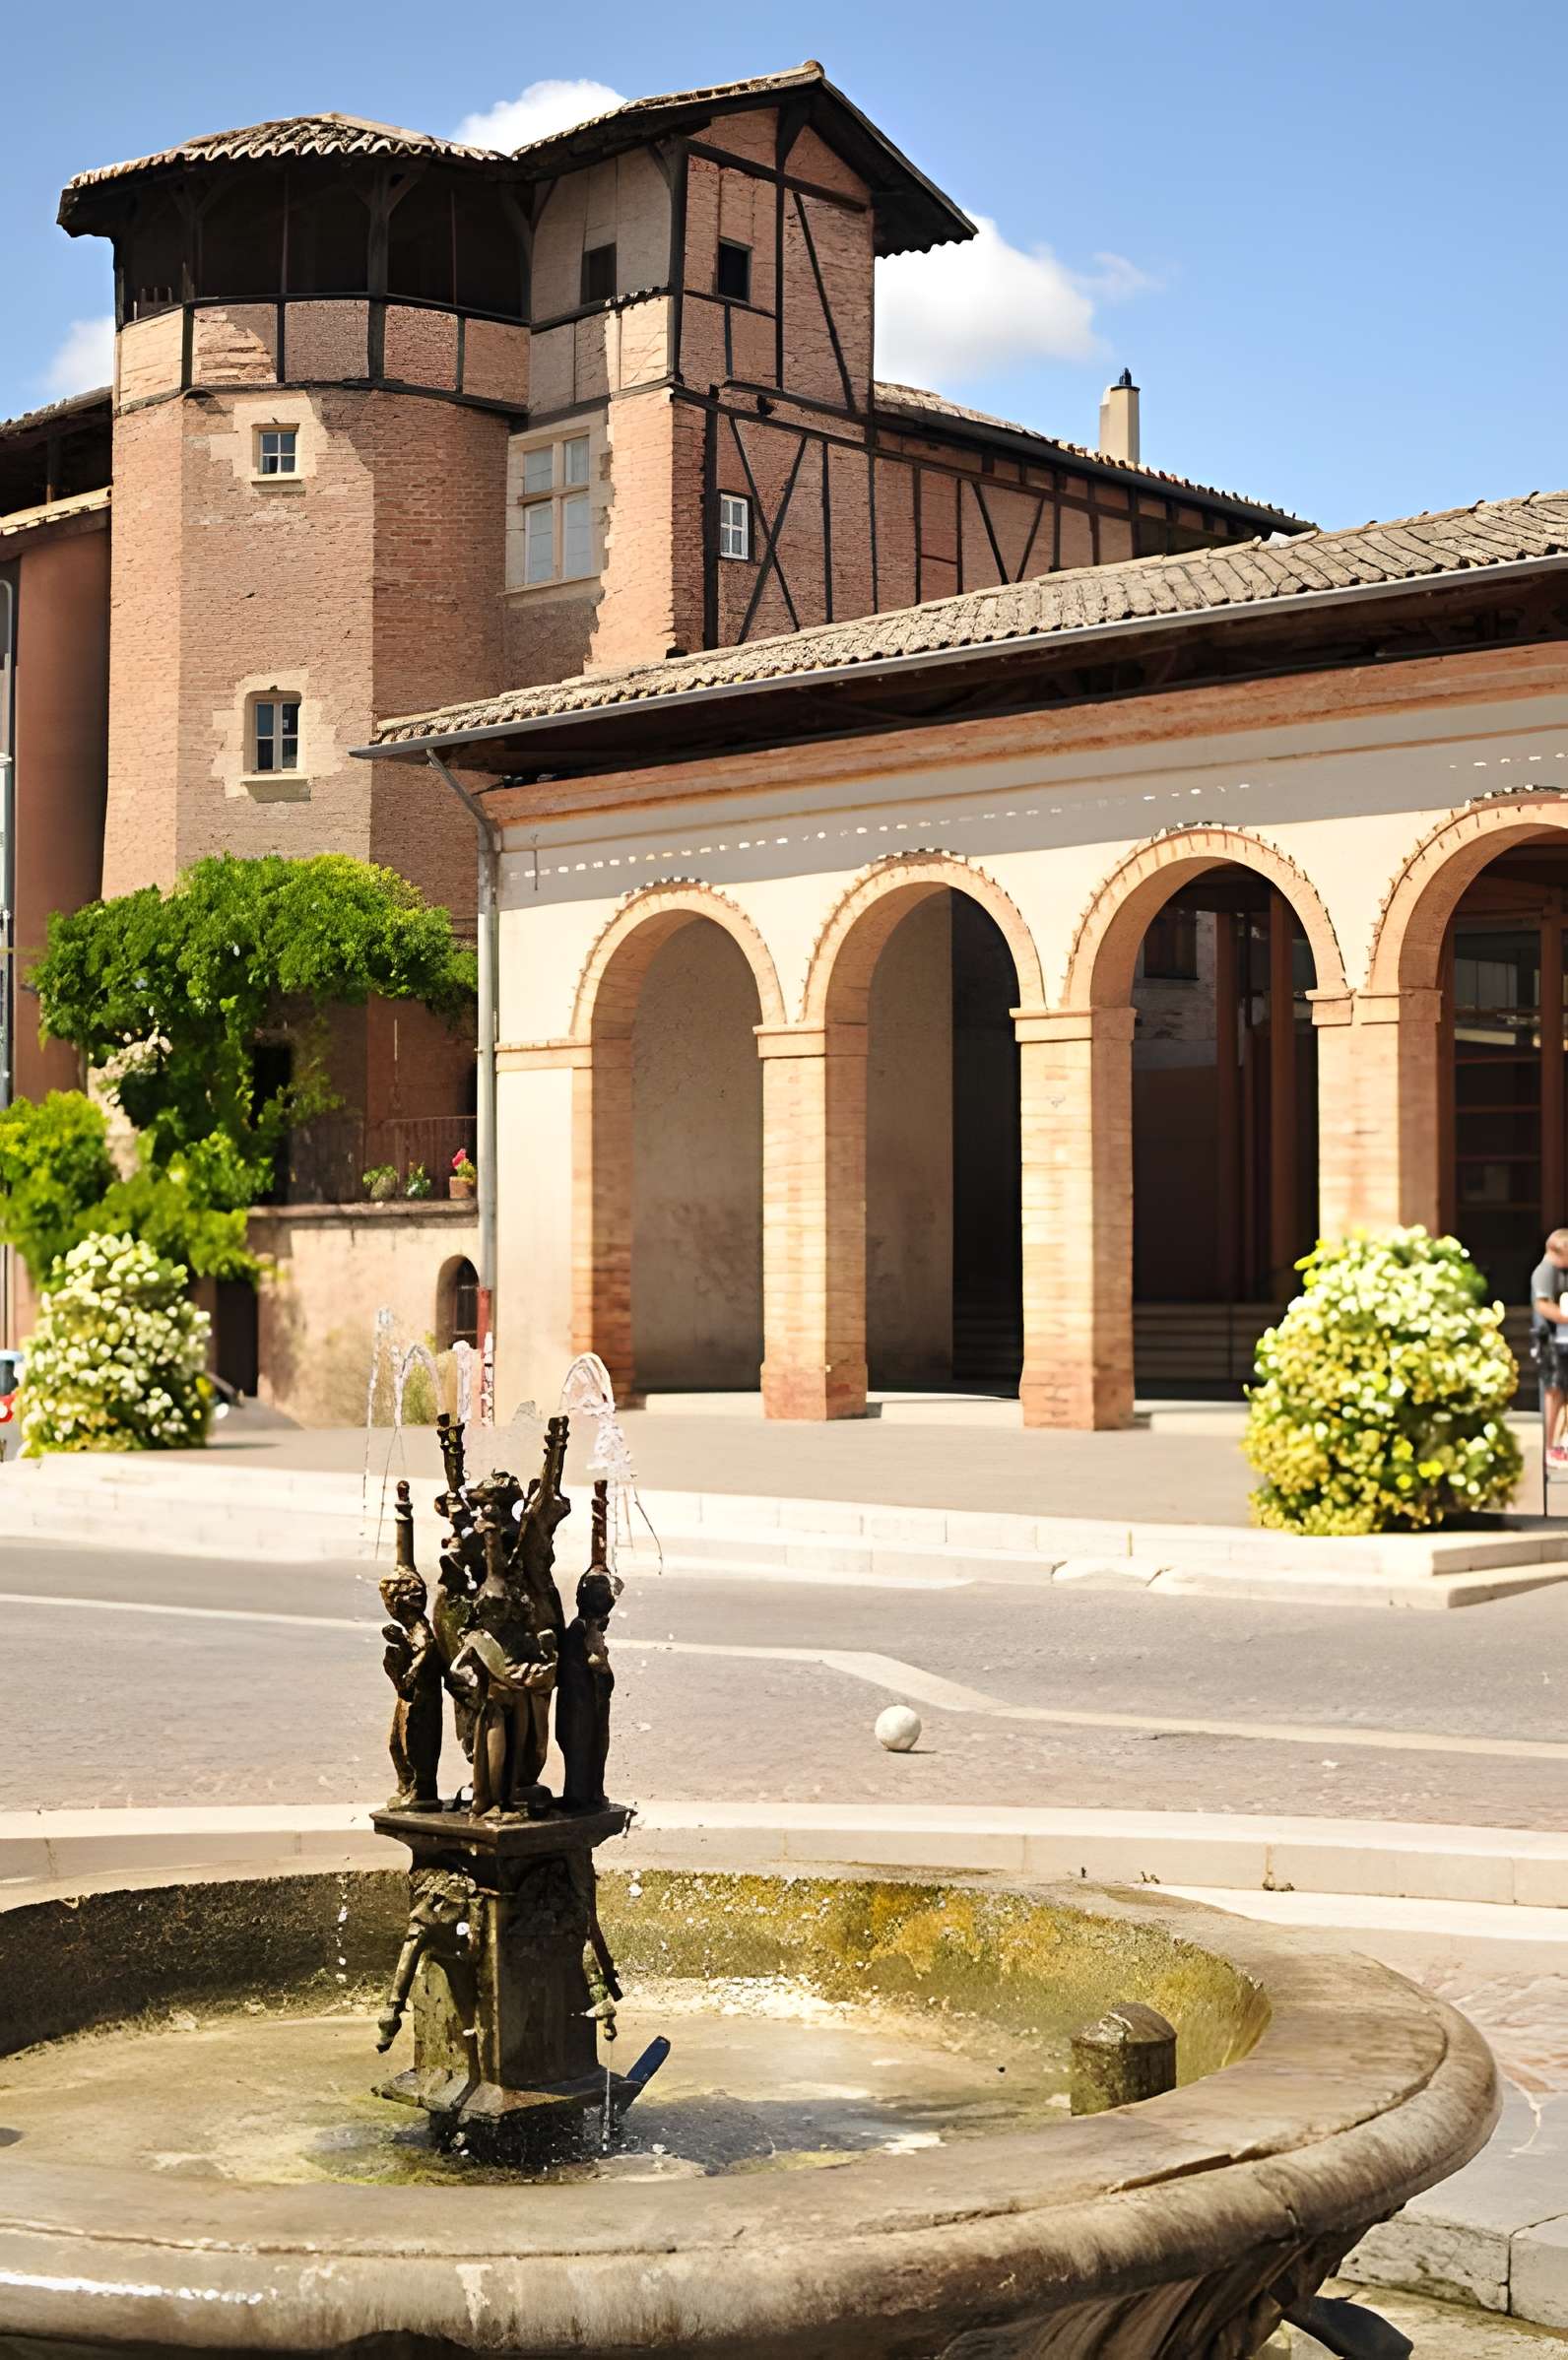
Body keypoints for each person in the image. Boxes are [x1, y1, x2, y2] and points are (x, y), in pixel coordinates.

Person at [1531, 1227, 1568, 1468]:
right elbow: (1543, 1306)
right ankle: (1549, 1447)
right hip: (1550, 1340)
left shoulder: (1560, 1271)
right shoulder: (1545, 1271)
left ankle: (1560, 1444)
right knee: (1553, 1392)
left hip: (1563, 1340)